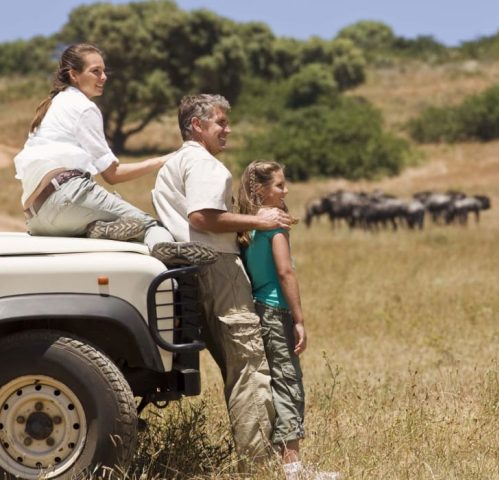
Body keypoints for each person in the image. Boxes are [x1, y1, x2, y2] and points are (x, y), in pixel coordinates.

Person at [151, 94, 293, 471]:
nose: (227, 130)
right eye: (221, 123)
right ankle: (259, 466)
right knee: (249, 364)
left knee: (236, 364)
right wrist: (260, 221)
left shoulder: (172, 165)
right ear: (197, 125)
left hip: (185, 270)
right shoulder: (205, 165)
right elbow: (203, 218)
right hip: (218, 267)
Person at [13, 43, 215, 266]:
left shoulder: (51, 106)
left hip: (37, 218)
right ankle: (172, 257)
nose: (103, 77)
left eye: (104, 71)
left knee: (117, 225)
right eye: (95, 71)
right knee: (150, 226)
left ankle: (97, 229)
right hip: (67, 196)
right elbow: (113, 174)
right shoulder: (83, 107)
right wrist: (164, 159)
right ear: (74, 75)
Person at [237, 161, 339, 480]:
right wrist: (299, 319)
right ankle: (293, 469)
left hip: (258, 308)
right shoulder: (274, 228)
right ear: (260, 190)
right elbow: (285, 272)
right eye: (279, 185)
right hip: (276, 309)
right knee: (288, 383)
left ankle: (283, 463)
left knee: (275, 381)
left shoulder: (247, 227)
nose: (286, 190)